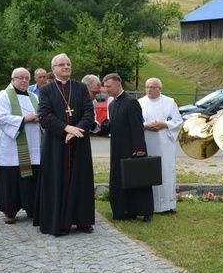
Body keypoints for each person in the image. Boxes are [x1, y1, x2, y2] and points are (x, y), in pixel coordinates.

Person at [34, 53, 95, 236]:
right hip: (56, 144)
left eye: (68, 64)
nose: (66, 67)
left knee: (81, 180)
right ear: (54, 69)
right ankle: (58, 222)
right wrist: (66, 129)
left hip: (79, 141)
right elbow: (43, 116)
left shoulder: (81, 88)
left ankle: (83, 221)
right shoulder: (46, 90)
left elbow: (88, 113)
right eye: (62, 65)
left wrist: (77, 130)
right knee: (56, 180)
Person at [99, 73, 154, 222]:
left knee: (139, 181)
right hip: (117, 149)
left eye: (109, 87)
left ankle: (146, 211)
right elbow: (113, 126)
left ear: (118, 85)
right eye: (105, 87)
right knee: (120, 179)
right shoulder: (112, 104)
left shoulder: (131, 102)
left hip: (133, 148)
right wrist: (98, 128)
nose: (107, 90)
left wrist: (139, 148)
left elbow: (137, 127)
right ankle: (124, 210)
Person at [0, 68, 42, 224]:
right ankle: (10, 211)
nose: (24, 81)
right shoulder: (4, 95)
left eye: (26, 78)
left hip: (33, 144)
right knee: (12, 178)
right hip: (13, 146)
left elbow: (42, 113)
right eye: (20, 78)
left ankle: (32, 207)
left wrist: (39, 118)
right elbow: (2, 117)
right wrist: (24, 119)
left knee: (32, 176)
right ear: (12, 79)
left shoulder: (34, 96)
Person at [138, 78, 183, 214]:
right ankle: (148, 205)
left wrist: (165, 125)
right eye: (147, 87)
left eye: (152, 87)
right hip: (147, 141)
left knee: (165, 172)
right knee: (148, 172)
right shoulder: (140, 103)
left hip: (165, 144)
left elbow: (178, 121)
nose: (149, 90)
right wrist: (146, 126)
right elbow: (136, 122)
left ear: (160, 89)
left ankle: (166, 205)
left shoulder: (169, 102)